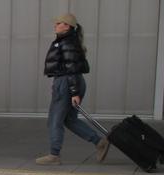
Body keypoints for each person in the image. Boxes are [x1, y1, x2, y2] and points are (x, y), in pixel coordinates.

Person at [36, 13, 109, 165]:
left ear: (67, 26)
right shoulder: (68, 41)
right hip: (69, 82)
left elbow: (72, 68)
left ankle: (54, 155)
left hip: (67, 82)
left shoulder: (67, 42)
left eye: (58, 23)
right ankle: (99, 142)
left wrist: (74, 92)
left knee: (54, 120)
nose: (55, 25)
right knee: (69, 120)